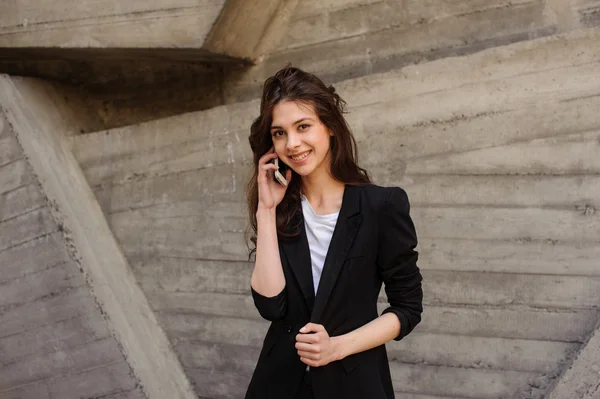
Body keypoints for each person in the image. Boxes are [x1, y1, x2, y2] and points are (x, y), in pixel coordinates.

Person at [244, 66, 423, 399]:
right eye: (279, 133)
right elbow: (270, 307)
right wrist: (266, 211)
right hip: (279, 385)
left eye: (303, 126)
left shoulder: (380, 205)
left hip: (354, 382)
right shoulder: (280, 209)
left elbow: (408, 308)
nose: (292, 143)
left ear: (330, 127)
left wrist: (338, 347)